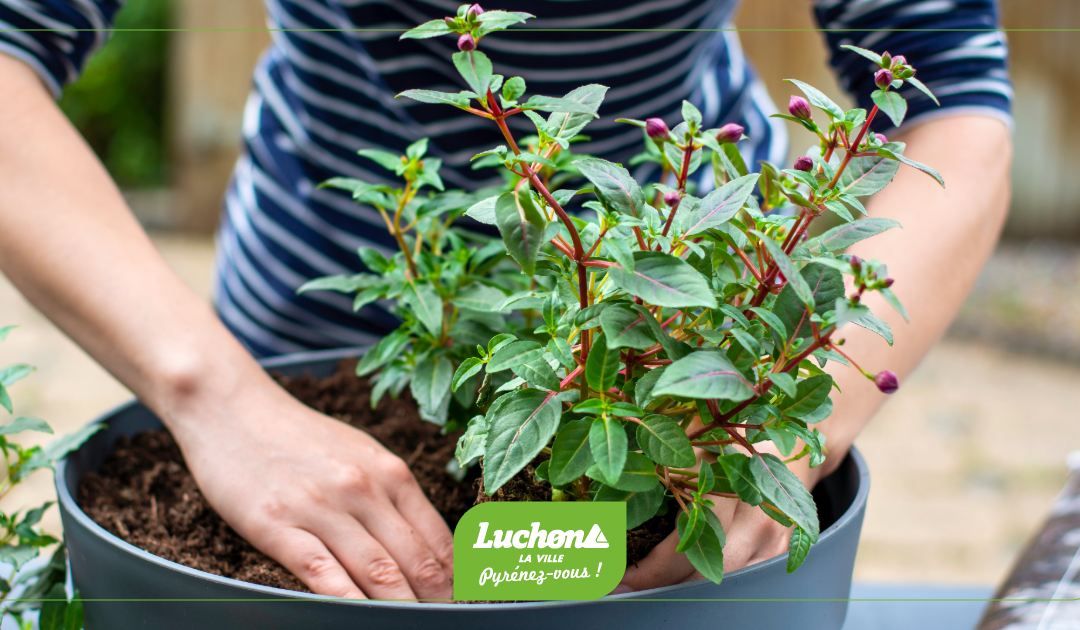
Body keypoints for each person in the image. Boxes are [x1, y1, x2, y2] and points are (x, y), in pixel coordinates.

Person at [0, 0, 1012, 600]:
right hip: (323, 327)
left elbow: (957, 101)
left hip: (681, 333)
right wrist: (215, 393)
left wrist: (805, 410)